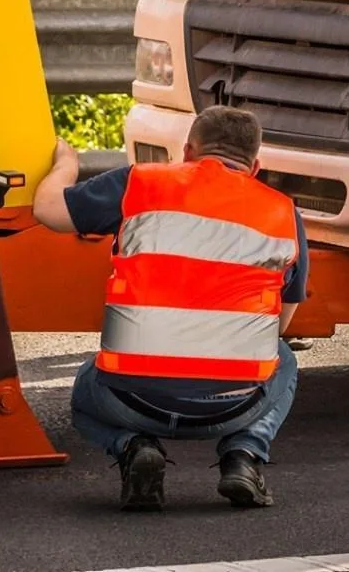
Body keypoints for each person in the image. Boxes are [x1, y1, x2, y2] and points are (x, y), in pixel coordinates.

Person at [34, 104, 307, 511]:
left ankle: (134, 446)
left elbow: (47, 211)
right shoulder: (284, 213)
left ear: (188, 150)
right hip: (232, 407)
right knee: (283, 358)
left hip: (129, 399)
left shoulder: (140, 183)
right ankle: (244, 456)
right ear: (255, 166)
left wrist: (66, 162)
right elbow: (278, 325)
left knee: (86, 387)